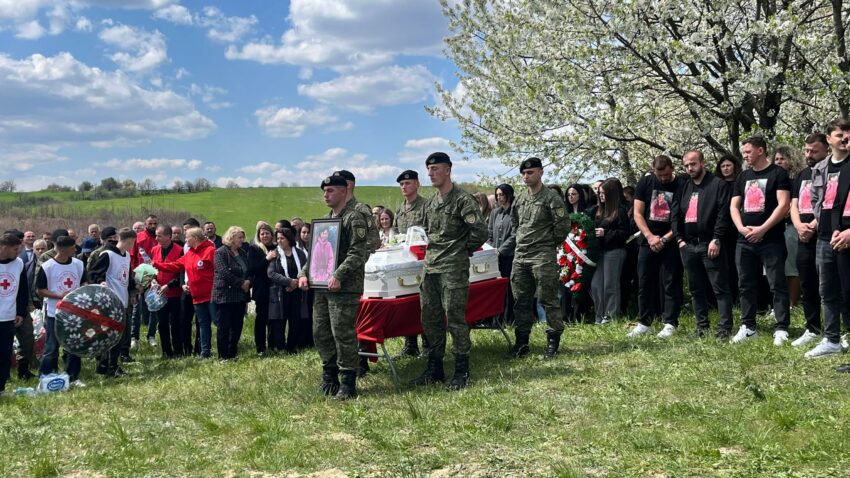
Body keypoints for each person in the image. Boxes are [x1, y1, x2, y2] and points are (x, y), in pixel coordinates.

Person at [412, 152, 487, 390]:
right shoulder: (432, 203)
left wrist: (459, 250)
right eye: (429, 169)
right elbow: (428, 233)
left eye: (435, 168)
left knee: (455, 319)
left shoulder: (463, 200)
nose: (430, 173)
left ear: (447, 170)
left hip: (452, 268)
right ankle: (435, 368)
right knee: (430, 319)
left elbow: (480, 232)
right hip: (431, 267)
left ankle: (461, 370)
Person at [297, 174, 369, 400]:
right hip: (321, 286)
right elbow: (316, 254)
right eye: (324, 191)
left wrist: (339, 274)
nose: (325, 195)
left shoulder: (354, 218)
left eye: (330, 191)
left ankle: (348, 381)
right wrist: (303, 273)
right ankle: (329, 376)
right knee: (321, 332)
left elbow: (359, 252)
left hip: (345, 287)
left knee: (343, 333)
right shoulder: (325, 221)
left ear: (343, 191)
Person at [729, 136, 792, 345]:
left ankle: (781, 328)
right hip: (744, 240)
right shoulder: (743, 176)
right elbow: (734, 205)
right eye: (744, 152)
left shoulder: (778, 173)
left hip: (771, 239)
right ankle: (748, 326)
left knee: (777, 284)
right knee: (745, 284)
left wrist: (763, 229)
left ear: (761, 151)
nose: (745, 155)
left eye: (748, 152)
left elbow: (783, 205)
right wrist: (741, 228)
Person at [504, 158, 569, 358]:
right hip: (521, 255)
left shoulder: (551, 198)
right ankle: (522, 342)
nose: (526, 176)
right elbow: (515, 223)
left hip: (542, 255)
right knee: (521, 301)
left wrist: (547, 243)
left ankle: (553, 342)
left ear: (540, 172)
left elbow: (563, 226)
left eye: (530, 172)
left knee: (548, 299)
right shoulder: (520, 199)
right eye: (523, 173)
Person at [672, 150, 734, 338]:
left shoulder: (718, 185)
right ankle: (701, 326)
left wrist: (717, 238)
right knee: (695, 289)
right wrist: (679, 239)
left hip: (710, 243)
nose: (690, 168)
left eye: (693, 164)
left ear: (703, 163)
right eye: (686, 165)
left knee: (720, 288)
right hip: (688, 245)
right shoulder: (683, 187)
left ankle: (725, 328)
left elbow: (723, 214)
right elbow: (675, 215)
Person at [803, 120, 850, 358]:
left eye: (847, 135)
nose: (844, 138)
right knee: (827, 290)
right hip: (825, 237)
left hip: (848, 234)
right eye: (839, 134)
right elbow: (815, 201)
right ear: (829, 139)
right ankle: (831, 339)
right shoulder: (820, 168)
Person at [628, 155, 684, 338]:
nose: (663, 179)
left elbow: (680, 218)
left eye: (667, 175)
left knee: (671, 282)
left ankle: (670, 322)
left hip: (671, 240)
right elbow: (637, 213)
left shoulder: (681, 184)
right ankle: (645, 322)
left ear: (672, 168)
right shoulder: (646, 182)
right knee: (644, 282)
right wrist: (650, 237)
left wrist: (666, 239)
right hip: (648, 241)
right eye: (660, 176)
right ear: (653, 170)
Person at [790, 133, 829, 347]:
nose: (809, 155)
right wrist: (798, 225)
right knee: (807, 282)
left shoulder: (831, 171)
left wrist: (813, 225)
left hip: (822, 233)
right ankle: (812, 327)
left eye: (814, 151)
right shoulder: (802, 174)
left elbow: (828, 202)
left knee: (831, 285)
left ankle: (838, 330)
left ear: (826, 150)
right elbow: (793, 203)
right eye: (806, 151)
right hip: (802, 235)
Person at [155, 226, 216, 358]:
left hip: (211, 295)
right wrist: (156, 265)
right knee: (204, 325)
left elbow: (217, 271)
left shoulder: (210, 251)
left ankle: (227, 349)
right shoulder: (190, 253)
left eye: (187, 237)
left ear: (195, 238)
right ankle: (205, 352)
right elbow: (174, 265)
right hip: (196, 296)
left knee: (219, 322)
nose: (185, 239)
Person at [36, 235, 87, 385]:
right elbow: (40, 290)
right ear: (64, 249)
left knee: (74, 345)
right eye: (73, 247)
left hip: (74, 313)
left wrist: (81, 290)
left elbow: (84, 280)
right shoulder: (48, 266)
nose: (75, 249)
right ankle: (45, 377)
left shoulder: (78, 264)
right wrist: (59, 295)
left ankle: (73, 377)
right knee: (51, 347)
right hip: (54, 313)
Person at [89, 228, 137, 377]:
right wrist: (101, 281)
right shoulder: (107, 254)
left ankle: (110, 365)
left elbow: (127, 277)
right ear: (128, 241)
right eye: (132, 243)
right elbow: (94, 273)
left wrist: (133, 291)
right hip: (109, 302)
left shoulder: (127, 256)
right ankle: (108, 366)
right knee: (110, 336)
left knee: (119, 336)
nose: (132, 246)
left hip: (122, 300)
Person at [393, 169, 429, 357]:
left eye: (408, 183)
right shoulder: (400, 209)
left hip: (423, 262)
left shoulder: (426, 206)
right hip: (405, 263)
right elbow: (398, 234)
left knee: (424, 303)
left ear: (417, 184)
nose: (404, 187)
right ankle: (410, 344)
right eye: (401, 184)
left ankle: (427, 344)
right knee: (407, 303)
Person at [588, 179, 630, 325]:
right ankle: (600, 315)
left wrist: (606, 233)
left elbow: (625, 233)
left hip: (615, 251)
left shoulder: (620, 211)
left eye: (604, 193)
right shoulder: (598, 211)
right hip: (600, 252)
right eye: (599, 193)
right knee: (596, 284)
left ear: (611, 194)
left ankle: (610, 316)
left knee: (610, 284)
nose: (601, 196)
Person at [267, 228, 309, 352]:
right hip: (280, 292)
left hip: (296, 292)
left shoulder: (300, 254)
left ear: (289, 239)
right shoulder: (275, 253)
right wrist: (288, 282)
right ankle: (279, 346)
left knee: (295, 319)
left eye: (282, 238)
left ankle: (292, 346)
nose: (279, 241)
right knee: (279, 320)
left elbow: (305, 269)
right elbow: (271, 273)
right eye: (278, 238)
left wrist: (295, 284)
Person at [213, 226, 251, 361]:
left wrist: (248, 282)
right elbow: (224, 272)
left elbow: (248, 270)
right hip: (225, 295)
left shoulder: (242, 252)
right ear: (231, 238)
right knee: (224, 326)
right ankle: (223, 356)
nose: (242, 240)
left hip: (240, 295)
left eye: (243, 237)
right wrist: (241, 283)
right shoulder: (220, 252)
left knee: (237, 326)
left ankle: (232, 353)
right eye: (239, 237)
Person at [774, 145, 805, 307]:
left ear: (791, 160)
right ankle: (778, 303)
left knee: (791, 267)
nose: (779, 162)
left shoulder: (796, 180)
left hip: (791, 227)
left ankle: (793, 303)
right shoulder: (772, 180)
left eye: (782, 159)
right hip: (773, 229)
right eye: (776, 159)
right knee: (775, 269)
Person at [0, 233, 29, 396]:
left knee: (4, 354)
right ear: (3, 247)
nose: (18, 252)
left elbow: (23, 289)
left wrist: (20, 312)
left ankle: (1, 387)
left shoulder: (18, 263)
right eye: (15, 249)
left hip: (8, 316)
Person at [151, 224, 183, 358]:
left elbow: (181, 273)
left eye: (159, 235)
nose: (156, 238)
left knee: (175, 323)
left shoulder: (179, 250)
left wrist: (169, 285)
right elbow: (153, 269)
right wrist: (153, 280)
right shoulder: (154, 250)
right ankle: (166, 351)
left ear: (168, 236)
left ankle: (178, 351)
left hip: (174, 293)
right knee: (162, 323)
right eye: (156, 235)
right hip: (159, 294)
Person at [489, 184, 516, 325]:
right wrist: (492, 250)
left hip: (509, 256)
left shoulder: (514, 212)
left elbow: (514, 235)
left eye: (502, 195)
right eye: (497, 195)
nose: (499, 197)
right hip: (494, 256)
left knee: (509, 288)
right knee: (496, 289)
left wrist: (500, 251)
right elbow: (490, 233)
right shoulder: (495, 212)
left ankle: (508, 319)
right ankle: (495, 320)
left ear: (508, 195)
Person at [247, 221, 275, 355]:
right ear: (258, 236)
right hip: (261, 289)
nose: (265, 236)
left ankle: (273, 344)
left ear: (272, 234)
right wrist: (267, 259)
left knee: (274, 318)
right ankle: (260, 348)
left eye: (267, 233)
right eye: (262, 234)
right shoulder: (254, 249)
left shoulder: (276, 247)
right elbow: (253, 269)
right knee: (261, 319)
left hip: (275, 288)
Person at [131, 214, 158, 349]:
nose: (153, 226)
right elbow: (133, 256)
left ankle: (151, 335)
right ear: (145, 224)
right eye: (150, 223)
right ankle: (134, 337)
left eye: (155, 223)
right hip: (140, 277)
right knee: (137, 308)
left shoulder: (158, 237)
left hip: (155, 277)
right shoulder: (139, 237)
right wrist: (134, 276)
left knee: (154, 307)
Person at [15, 230, 36, 379]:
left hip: (19, 308)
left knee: (27, 337)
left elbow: (24, 288)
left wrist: (23, 310)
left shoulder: (19, 263)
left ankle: (23, 369)